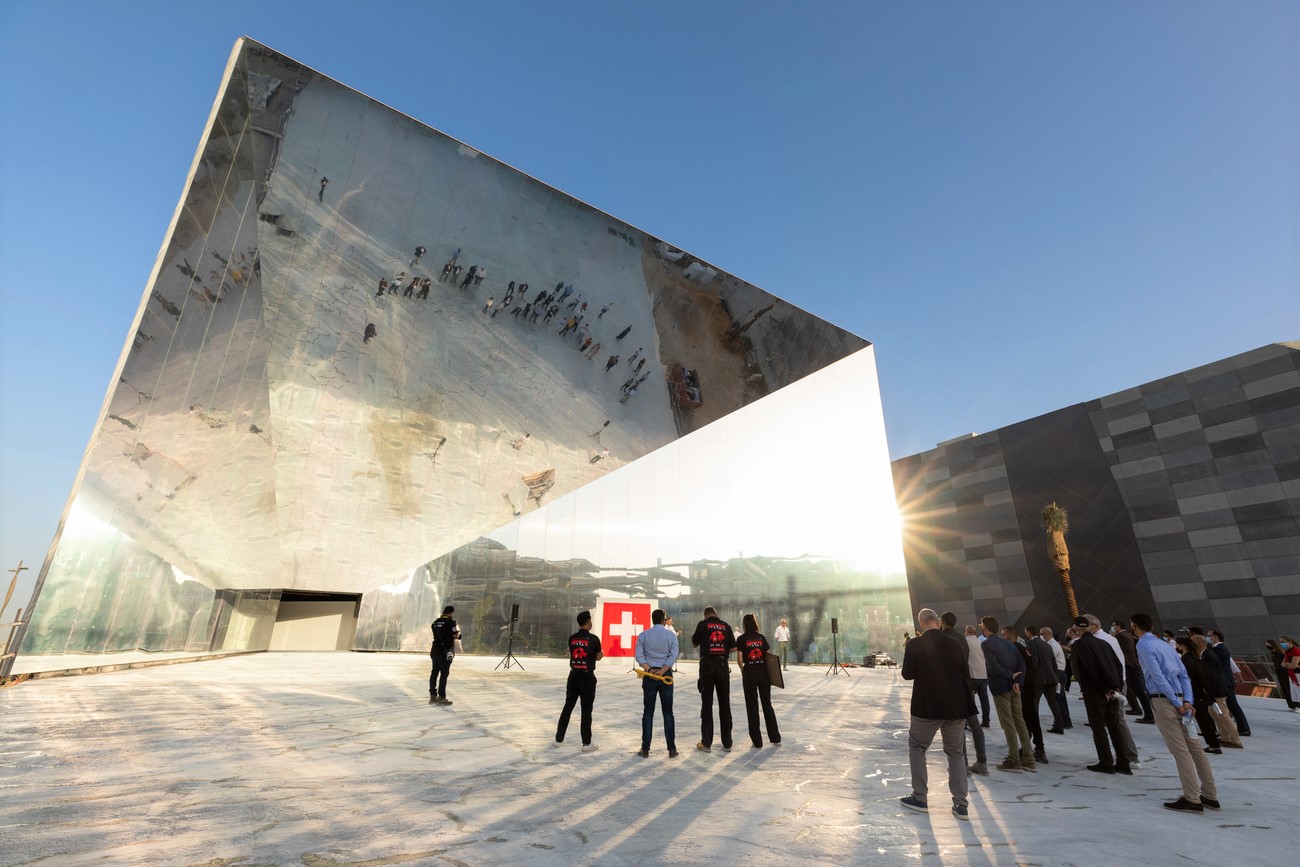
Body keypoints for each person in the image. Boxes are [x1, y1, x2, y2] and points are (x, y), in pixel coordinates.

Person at [1131, 613, 1219, 813]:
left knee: (1180, 751)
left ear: (1135, 627)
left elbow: (1157, 675)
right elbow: (1183, 675)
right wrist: (1187, 700)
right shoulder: (1165, 645)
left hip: (1165, 701)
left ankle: (1192, 798)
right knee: (1195, 748)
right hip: (1182, 700)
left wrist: (1175, 701)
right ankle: (1210, 795)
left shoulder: (1143, 645)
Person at [900, 609, 974, 821]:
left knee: (917, 746)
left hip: (927, 706)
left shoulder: (914, 644)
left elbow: (907, 675)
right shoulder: (955, 643)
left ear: (921, 623)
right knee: (955, 752)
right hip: (955, 706)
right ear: (939, 622)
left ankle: (920, 797)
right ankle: (961, 804)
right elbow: (964, 673)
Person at [1070, 615, 1130, 775]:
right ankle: (1124, 763)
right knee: (1114, 726)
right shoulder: (1104, 643)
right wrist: (1116, 688)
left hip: (1096, 692)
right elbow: (1118, 665)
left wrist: (1103, 690)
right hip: (1113, 690)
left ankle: (1106, 762)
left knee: (1098, 728)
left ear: (1076, 629)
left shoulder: (1079, 645)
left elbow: (1087, 669)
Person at [980, 616, 1034, 772]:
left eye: (981, 625)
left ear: (985, 627)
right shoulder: (1009, 643)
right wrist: (1018, 681)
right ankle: (1029, 759)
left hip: (1001, 688)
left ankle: (1013, 760)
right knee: (1020, 722)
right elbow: (1021, 663)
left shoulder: (986, 644)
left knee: (1008, 724)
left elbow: (994, 666)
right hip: (1015, 688)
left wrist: (1011, 676)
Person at [940, 613, 986, 775]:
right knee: (973, 723)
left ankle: (963, 765)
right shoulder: (962, 639)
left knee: (956, 725)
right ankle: (982, 762)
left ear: (942, 622)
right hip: (966, 684)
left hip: (951, 687)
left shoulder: (942, 638)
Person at [635, 609, 679, 758]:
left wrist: (649, 669)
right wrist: (663, 670)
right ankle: (671, 749)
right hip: (665, 676)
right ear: (663, 620)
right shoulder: (670, 635)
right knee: (668, 712)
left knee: (648, 712)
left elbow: (639, 655)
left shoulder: (643, 635)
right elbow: (674, 654)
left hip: (649, 675)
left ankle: (645, 749)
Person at [555, 610, 602, 751]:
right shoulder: (594, 639)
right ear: (588, 622)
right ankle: (586, 743)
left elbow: (575, 655)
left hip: (573, 676)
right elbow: (598, 656)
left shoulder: (572, 638)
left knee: (568, 707)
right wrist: (597, 655)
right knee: (586, 710)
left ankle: (558, 739)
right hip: (587, 677)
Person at [691, 606, 736, 752]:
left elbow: (694, 644)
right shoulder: (726, 625)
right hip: (723, 665)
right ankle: (727, 742)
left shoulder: (703, 624)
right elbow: (734, 648)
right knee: (724, 703)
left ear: (705, 615)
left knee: (707, 703)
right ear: (716, 614)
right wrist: (721, 651)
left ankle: (707, 742)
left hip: (707, 666)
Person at [735, 614, 781, 748]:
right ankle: (775, 737)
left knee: (752, 706)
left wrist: (744, 671)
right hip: (763, 673)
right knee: (767, 704)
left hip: (750, 672)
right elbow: (768, 656)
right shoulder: (761, 637)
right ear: (755, 623)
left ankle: (757, 741)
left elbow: (739, 659)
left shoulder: (742, 639)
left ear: (744, 624)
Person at [1192, 635, 1243, 748]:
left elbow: (1212, 676)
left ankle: (1235, 740)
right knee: (1215, 714)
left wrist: (1209, 692)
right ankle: (1225, 737)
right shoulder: (1206, 654)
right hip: (1214, 691)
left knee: (1223, 715)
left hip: (1217, 691)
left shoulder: (1208, 656)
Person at [1175, 635, 1222, 753]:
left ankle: (1213, 745)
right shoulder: (1195, 658)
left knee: (1203, 721)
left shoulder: (1186, 659)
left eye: (1178, 644)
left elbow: (1187, 678)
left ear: (1182, 646)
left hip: (1194, 693)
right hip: (1201, 693)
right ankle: (1213, 743)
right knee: (1205, 720)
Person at [1207, 630, 1251, 736]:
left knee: (1233, 705)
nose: (1207, 638)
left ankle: (1243, 728)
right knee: (1231, 705)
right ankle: (1241, 728)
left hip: (1225, 681)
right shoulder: (1218, 648)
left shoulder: (1219, 649)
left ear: (1216, 637)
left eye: (1209, 636)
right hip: (1224, 681)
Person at [1112, 620, 1154, 723]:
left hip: (1131, 667)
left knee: (1140, 691)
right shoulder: (1125, 635)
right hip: (1132, 666)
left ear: (1118, 627)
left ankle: (1149, 715)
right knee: (1136, 690)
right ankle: (1140, 710)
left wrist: (1112, 636)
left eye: (1113, 626)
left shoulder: (1120, 636)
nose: (1112, 628)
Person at [1039, 627, 1072, 731]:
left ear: (1046, 634)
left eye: (1041, 634)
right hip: (1059, 674)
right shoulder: (1054, 644)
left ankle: (1062, 721)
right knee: (1060, 699)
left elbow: (1048, 661)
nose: (1040, 636)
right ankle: (1066, 721)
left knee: (1057, 699)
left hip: (1057, 674)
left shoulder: (1052, 646)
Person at [429, 605, 460, 705]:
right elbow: (455, 635)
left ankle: (433, 696)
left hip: (434, 650)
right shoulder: (451, 623)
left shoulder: (435, 622)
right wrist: (459, 636)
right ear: (451, 613)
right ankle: (441, 697)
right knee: (444, 674)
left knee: (434, 673)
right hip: (445, 652)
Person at [964, 625, 990, 727]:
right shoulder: (981, 642)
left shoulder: (965, 642)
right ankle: (986, 721)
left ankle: (971, 723)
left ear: (966, 631)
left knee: (970, 700)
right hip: (983, 674)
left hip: (972, 675)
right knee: (984, 699)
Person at [1265, 640, 1296, 709]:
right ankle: (1291, 705)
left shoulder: (1280, 653)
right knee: (1284, 688)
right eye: (1267, 645)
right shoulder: (1273, 653)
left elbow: (1284, 663)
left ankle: (1294, 704)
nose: (1268, 646)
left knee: (1288, 688)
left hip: (1284, 672)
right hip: (1279, 672)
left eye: (1268, 644)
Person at [1280, 635, 1300, 711]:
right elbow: (1282, 664)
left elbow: (1293, 666)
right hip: (1292, 673)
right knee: (1294, 691)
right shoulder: (1287, 652)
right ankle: (1297, 706)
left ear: (1290, 642)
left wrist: (1287, 664)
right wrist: (1288, 664)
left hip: (1298, 674)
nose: (1281, 644)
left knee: (1298, 690)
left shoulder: (1296, 651)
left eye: (1283, 642)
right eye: (1280, 642)